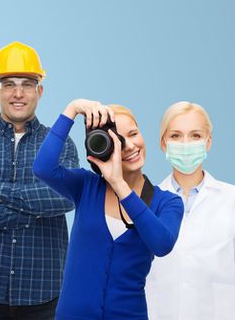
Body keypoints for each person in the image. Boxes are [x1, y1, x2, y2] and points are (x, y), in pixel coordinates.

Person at [0, 42, 77, 319]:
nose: (18, 93)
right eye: (9, 84)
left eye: (28, 84)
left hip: (45, 294)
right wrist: (35, 210)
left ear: (40, 90)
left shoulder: (60, 144)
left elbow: (64, 197)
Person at [36, 99, 183, 319]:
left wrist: (119, 184)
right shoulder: (86, 187)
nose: (130, 146)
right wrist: (73, 108)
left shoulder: (168, 202)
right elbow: (43, 167)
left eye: (134, 134)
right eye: (118, 141)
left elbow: (162, 244)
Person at [145, 102, 235, 319]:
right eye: (175, 135)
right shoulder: (146, 202)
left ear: (208, 142)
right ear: (163, 143)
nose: (185, 143)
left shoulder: (234, 199)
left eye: (195, 135)